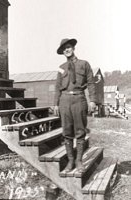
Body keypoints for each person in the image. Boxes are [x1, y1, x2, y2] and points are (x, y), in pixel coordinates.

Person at [54, 38, 96, 173]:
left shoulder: (84, 64)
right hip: (64, 100)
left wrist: (92, 100)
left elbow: (91, 83)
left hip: (79, 99)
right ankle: (70, 161)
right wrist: (55, 104)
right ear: (62, 52)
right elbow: (57, 87)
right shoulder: (61, 68)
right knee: (67, 132)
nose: (67, 50)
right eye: (64, 49)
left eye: (68, 47)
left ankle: (79, 161)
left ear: (73, 48)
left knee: (80, 131)